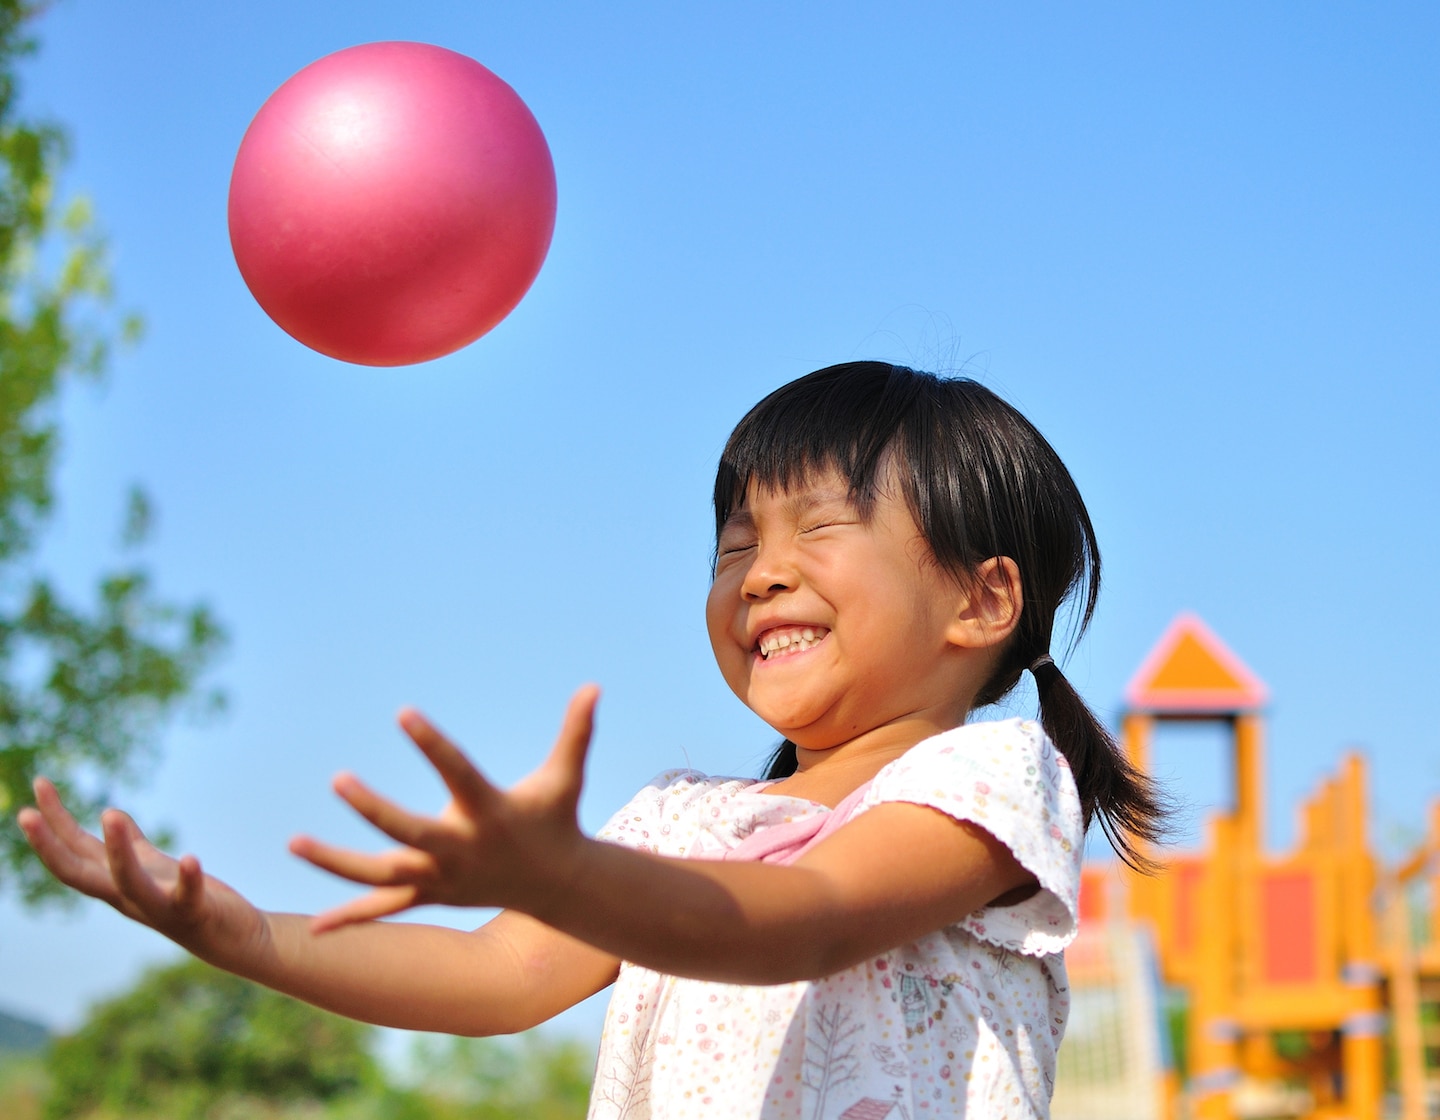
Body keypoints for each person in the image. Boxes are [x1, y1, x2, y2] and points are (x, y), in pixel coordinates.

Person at [19, 362, 1165, 1119]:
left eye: (819, 527)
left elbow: (804, 921)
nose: (761, 571)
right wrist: (236, 928)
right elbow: (494, 972)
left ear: (982, 599)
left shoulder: (993, 778)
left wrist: (566, 872)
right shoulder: (676, 820)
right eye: (732, 543)